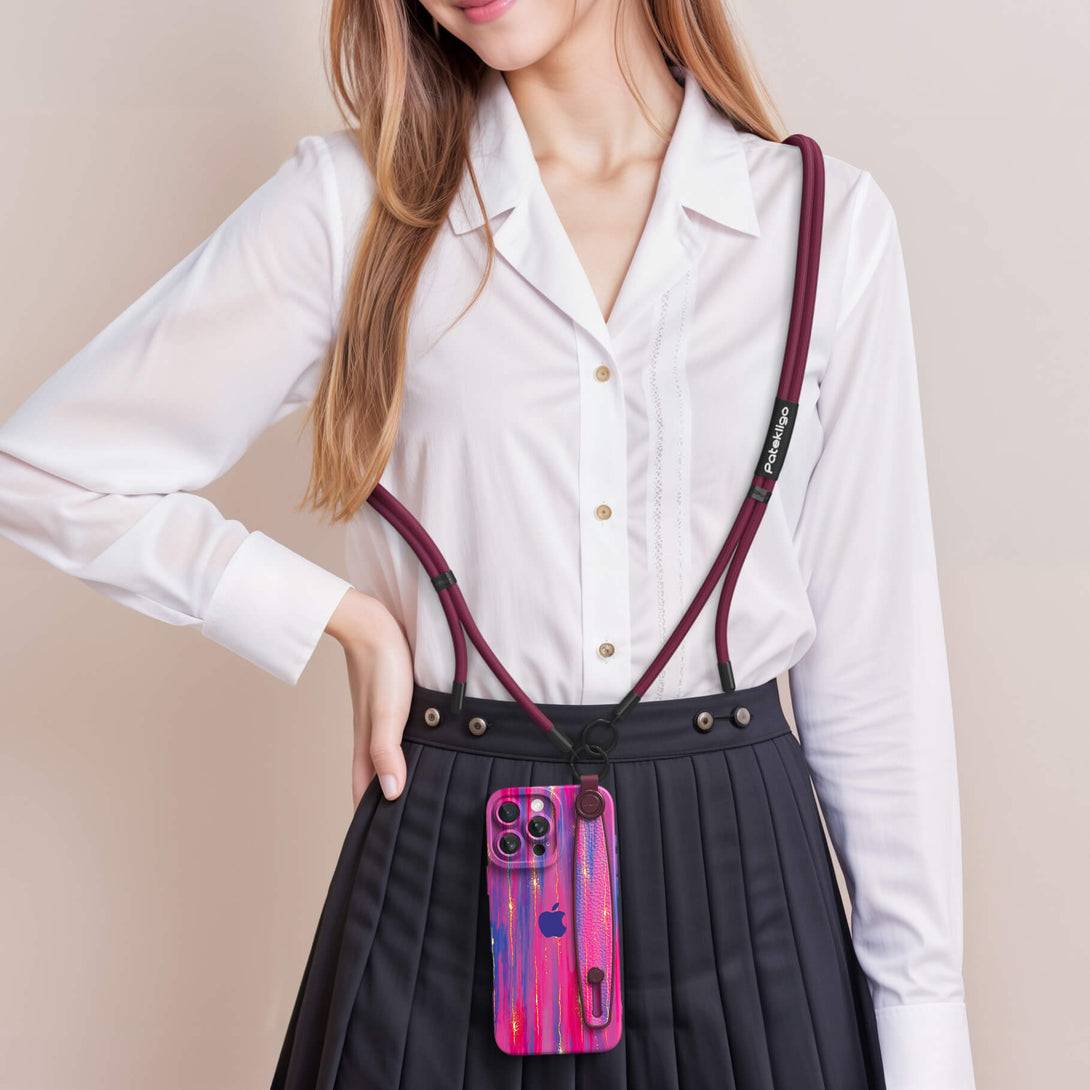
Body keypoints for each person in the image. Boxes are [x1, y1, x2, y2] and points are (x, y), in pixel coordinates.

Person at [0, 1, 977, 1087]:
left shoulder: (819, 225)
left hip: (744, 876)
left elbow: (875, 672)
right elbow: (44, 465)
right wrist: (336, 618)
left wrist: (927, 1039)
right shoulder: (356, 205)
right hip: (448, 872)